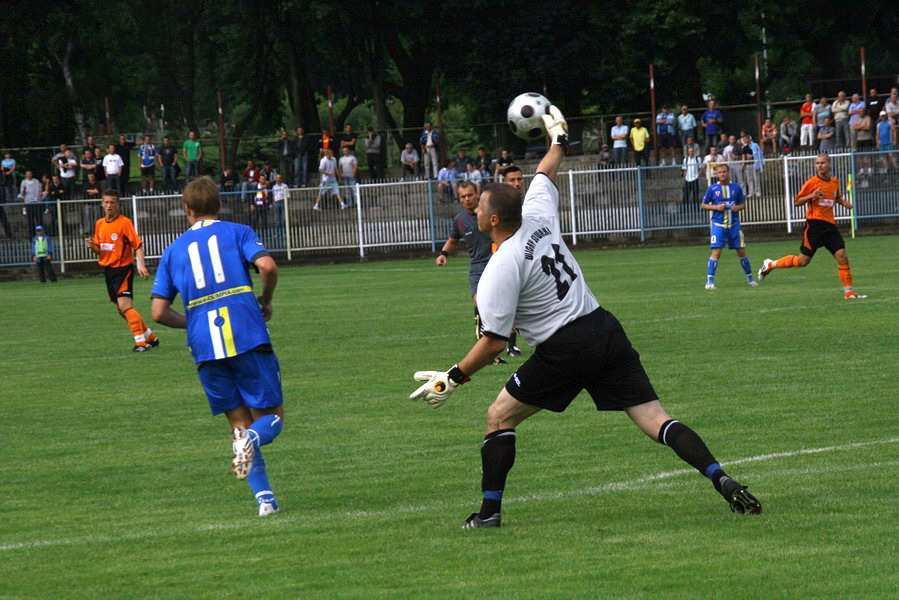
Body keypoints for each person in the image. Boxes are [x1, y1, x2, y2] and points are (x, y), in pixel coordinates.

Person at [409, 104, 761, 529]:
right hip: (604, 328)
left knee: (498, 417)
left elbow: (495, 342)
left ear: (494, 219)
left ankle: (488, 514)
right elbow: (546, 171)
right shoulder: (536, 212)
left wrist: (453, 377)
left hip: (566, 348)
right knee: (655, 419)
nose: (474, 212)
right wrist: (557, 135)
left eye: (479, 208)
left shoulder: (499, 269)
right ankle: (721, 479)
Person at [150, 176, 284, 518]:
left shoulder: (172, 251)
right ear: (218, 204)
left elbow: (158, 313)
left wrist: (192, 322)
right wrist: (265, 300)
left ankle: (264, 500)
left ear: (187, 209)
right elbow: (266, 266)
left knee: (238, 425)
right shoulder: (237, 231)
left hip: (205, 346)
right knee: (269, 419)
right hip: (246, 332)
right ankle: (252, 443)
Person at [757, 154, 866, 299]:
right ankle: (771, 264)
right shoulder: (812, 182)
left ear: (829, 164)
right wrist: (812, 195)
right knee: (803, 261)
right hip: (814, 226)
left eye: (822, 163)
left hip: (830, 227)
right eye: (817, 163)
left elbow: (836, 196)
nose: (819, 166)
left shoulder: (835, 182)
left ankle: (849, 292)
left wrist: (843, 202)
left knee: (842, 256)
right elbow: (797, 201)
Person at [436, 180, 520, 363]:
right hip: (477, 268)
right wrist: (443, 254)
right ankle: (489, 350)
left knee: (508, 304)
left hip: (497, 263)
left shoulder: (491, 213)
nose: (467, 199)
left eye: (470, 195)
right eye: (463, 196)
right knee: (480, 304)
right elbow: (452, 239)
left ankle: (511, 345)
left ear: (477, 194)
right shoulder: (459, 220)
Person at [85, 189, 160, 352]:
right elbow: (101, 250)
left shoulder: (125, 223)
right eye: (106, 202)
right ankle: (150, 337)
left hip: (123, 269)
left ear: (118, 204)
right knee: (121, 309)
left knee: (125, 306)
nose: (109, 205)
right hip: (108, 270)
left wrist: (141, 264)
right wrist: (94, 247)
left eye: (112, 202)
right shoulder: (100, 224)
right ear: (102, 204)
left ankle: (141, 343)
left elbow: (138, 245)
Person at [699, 164, 757, 289]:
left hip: (734, 226)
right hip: (718, 225)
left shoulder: (736, 188)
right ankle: (709, 282)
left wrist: (738, 207)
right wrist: (716, 207)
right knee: (716, 251)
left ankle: (750, 279)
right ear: (717, 174)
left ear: (728, 172)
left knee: (741, 252)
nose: (722, 174)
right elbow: (703, 205)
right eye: (719, 172)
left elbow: (743, 204)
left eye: (724, 171)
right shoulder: (712, 189)